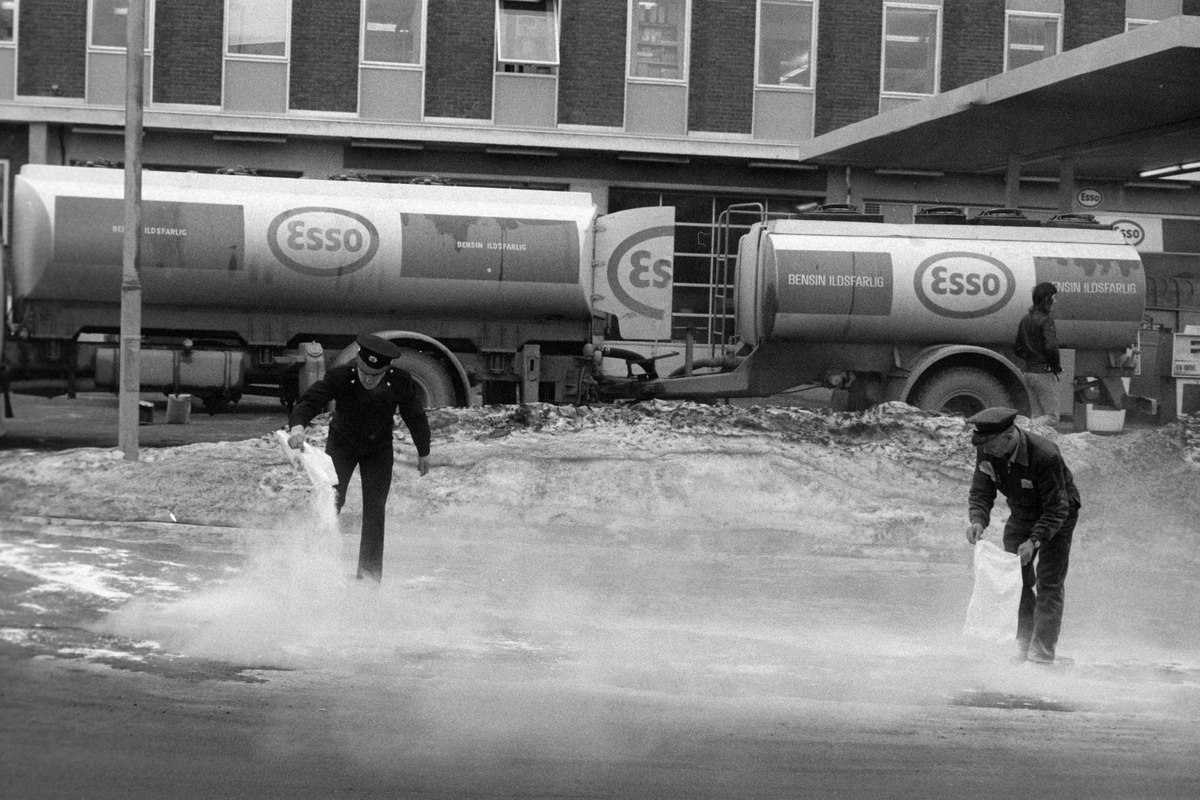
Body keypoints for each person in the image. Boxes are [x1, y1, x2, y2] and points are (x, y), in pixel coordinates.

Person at [286, 334, 431, 582]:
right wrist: (298, 425)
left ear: (386, 370)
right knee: (332, 501)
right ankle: (315, 563)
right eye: (364, 372)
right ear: (358, 364)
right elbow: (312, 399)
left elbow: (414, 414)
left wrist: (423, 450)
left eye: (375, 375)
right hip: (342, 446)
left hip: (378, 450)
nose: (368, 379)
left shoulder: (400, 382)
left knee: (375, 510)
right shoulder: (342, 375)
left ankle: (369, 576)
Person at [964, 407, 1080, 665]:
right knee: (1017, 582)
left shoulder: (1045, 455)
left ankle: (1041, 654)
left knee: (1048, 584)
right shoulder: (988, 448)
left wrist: (1034, 541)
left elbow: (1057, 507)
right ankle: (1023, 644)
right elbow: (981, 491)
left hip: (1058, 516)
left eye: (991, 446)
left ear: (1009, 436)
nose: (987, 451)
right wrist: (978, 520)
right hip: (1022, 513)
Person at [1013, 281, 1062, 426]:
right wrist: (1056, 366)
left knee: (1037, 415)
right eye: (1054, 297)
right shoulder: (1047, 321)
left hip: (1028, 372)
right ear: (1047, 299)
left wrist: (1031, 358)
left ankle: (1034, 442)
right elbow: (1051, 347)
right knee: (1052, 417)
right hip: (1043, 373)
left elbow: (1017, 348)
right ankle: (1024, 427)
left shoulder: (1025, 319)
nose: (1055, 300)